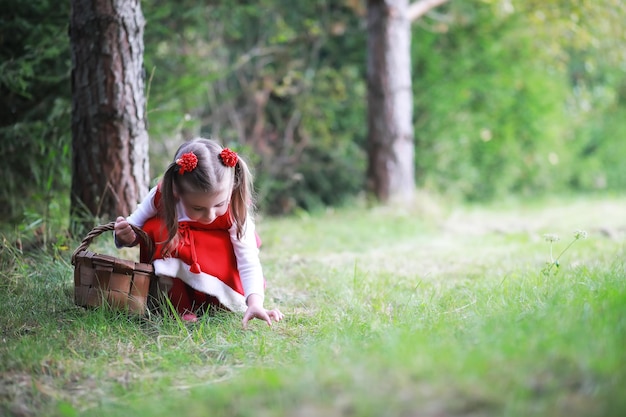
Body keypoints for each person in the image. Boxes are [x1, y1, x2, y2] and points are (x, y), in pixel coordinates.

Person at [114, 138, 283, 327]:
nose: (210, 215)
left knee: (224, 248)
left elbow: (248, 260)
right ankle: (177, 306)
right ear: (176, 190)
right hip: (178, 276)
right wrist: (125, 236)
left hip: (219, 272)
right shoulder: (162, 196)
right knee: (157, 228)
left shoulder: (236, 208)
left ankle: (219, 303)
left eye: (219, 204)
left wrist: (255, 303)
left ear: (231, 188)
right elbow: (133, 227)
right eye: (198, 208)